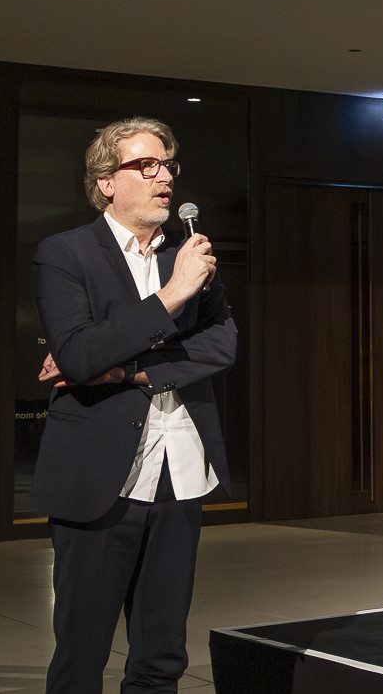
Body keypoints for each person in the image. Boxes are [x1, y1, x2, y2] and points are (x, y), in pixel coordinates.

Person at [32, 118, 236, 692]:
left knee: (163, 654)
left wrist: (130, 369)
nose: (163, 176)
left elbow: (223, 344)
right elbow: (76, 353)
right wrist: (173, 297)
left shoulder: (189, 252)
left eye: (168, 165)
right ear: (106, 183)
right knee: (82, 653)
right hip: (97, 477)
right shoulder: (65, 253)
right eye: (145, 166)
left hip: (179, 473)